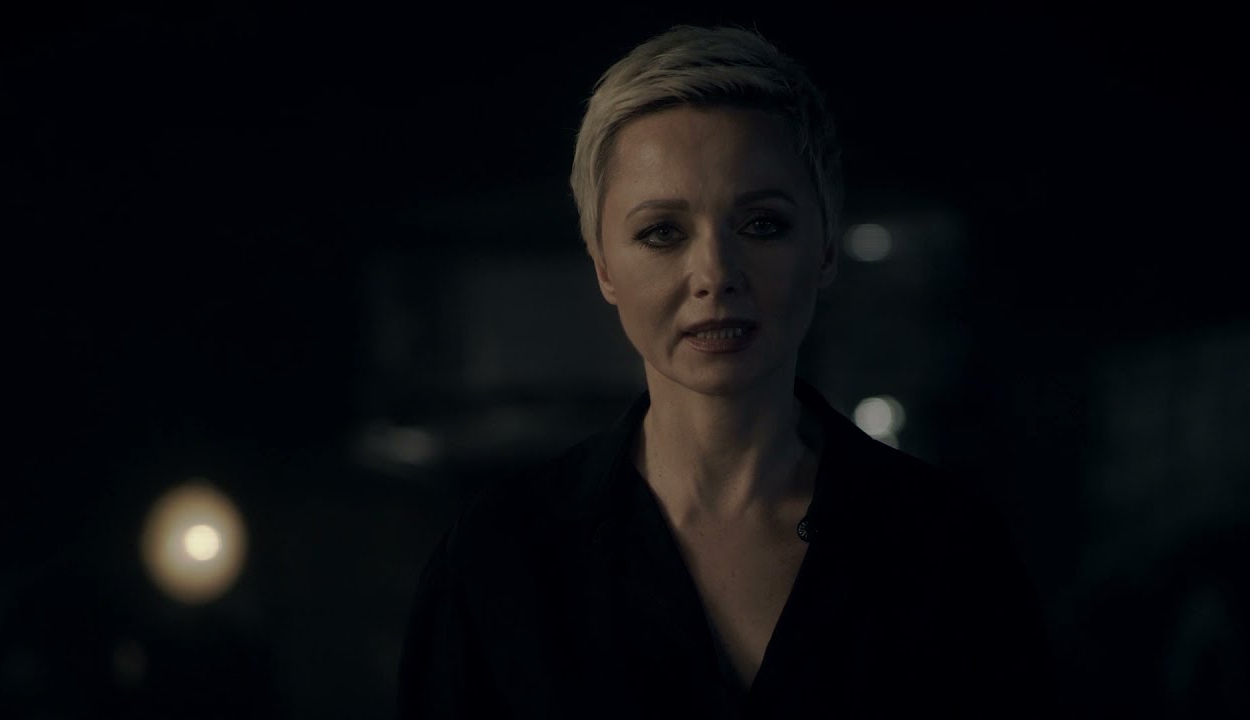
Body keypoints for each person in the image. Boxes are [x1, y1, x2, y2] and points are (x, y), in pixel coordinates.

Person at [395, 24, 1057, 719]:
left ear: (826, 247)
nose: (715, 274)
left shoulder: (947, 548)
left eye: (762, 224)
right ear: (603, 266)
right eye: (662, 232)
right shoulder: (499, 561)